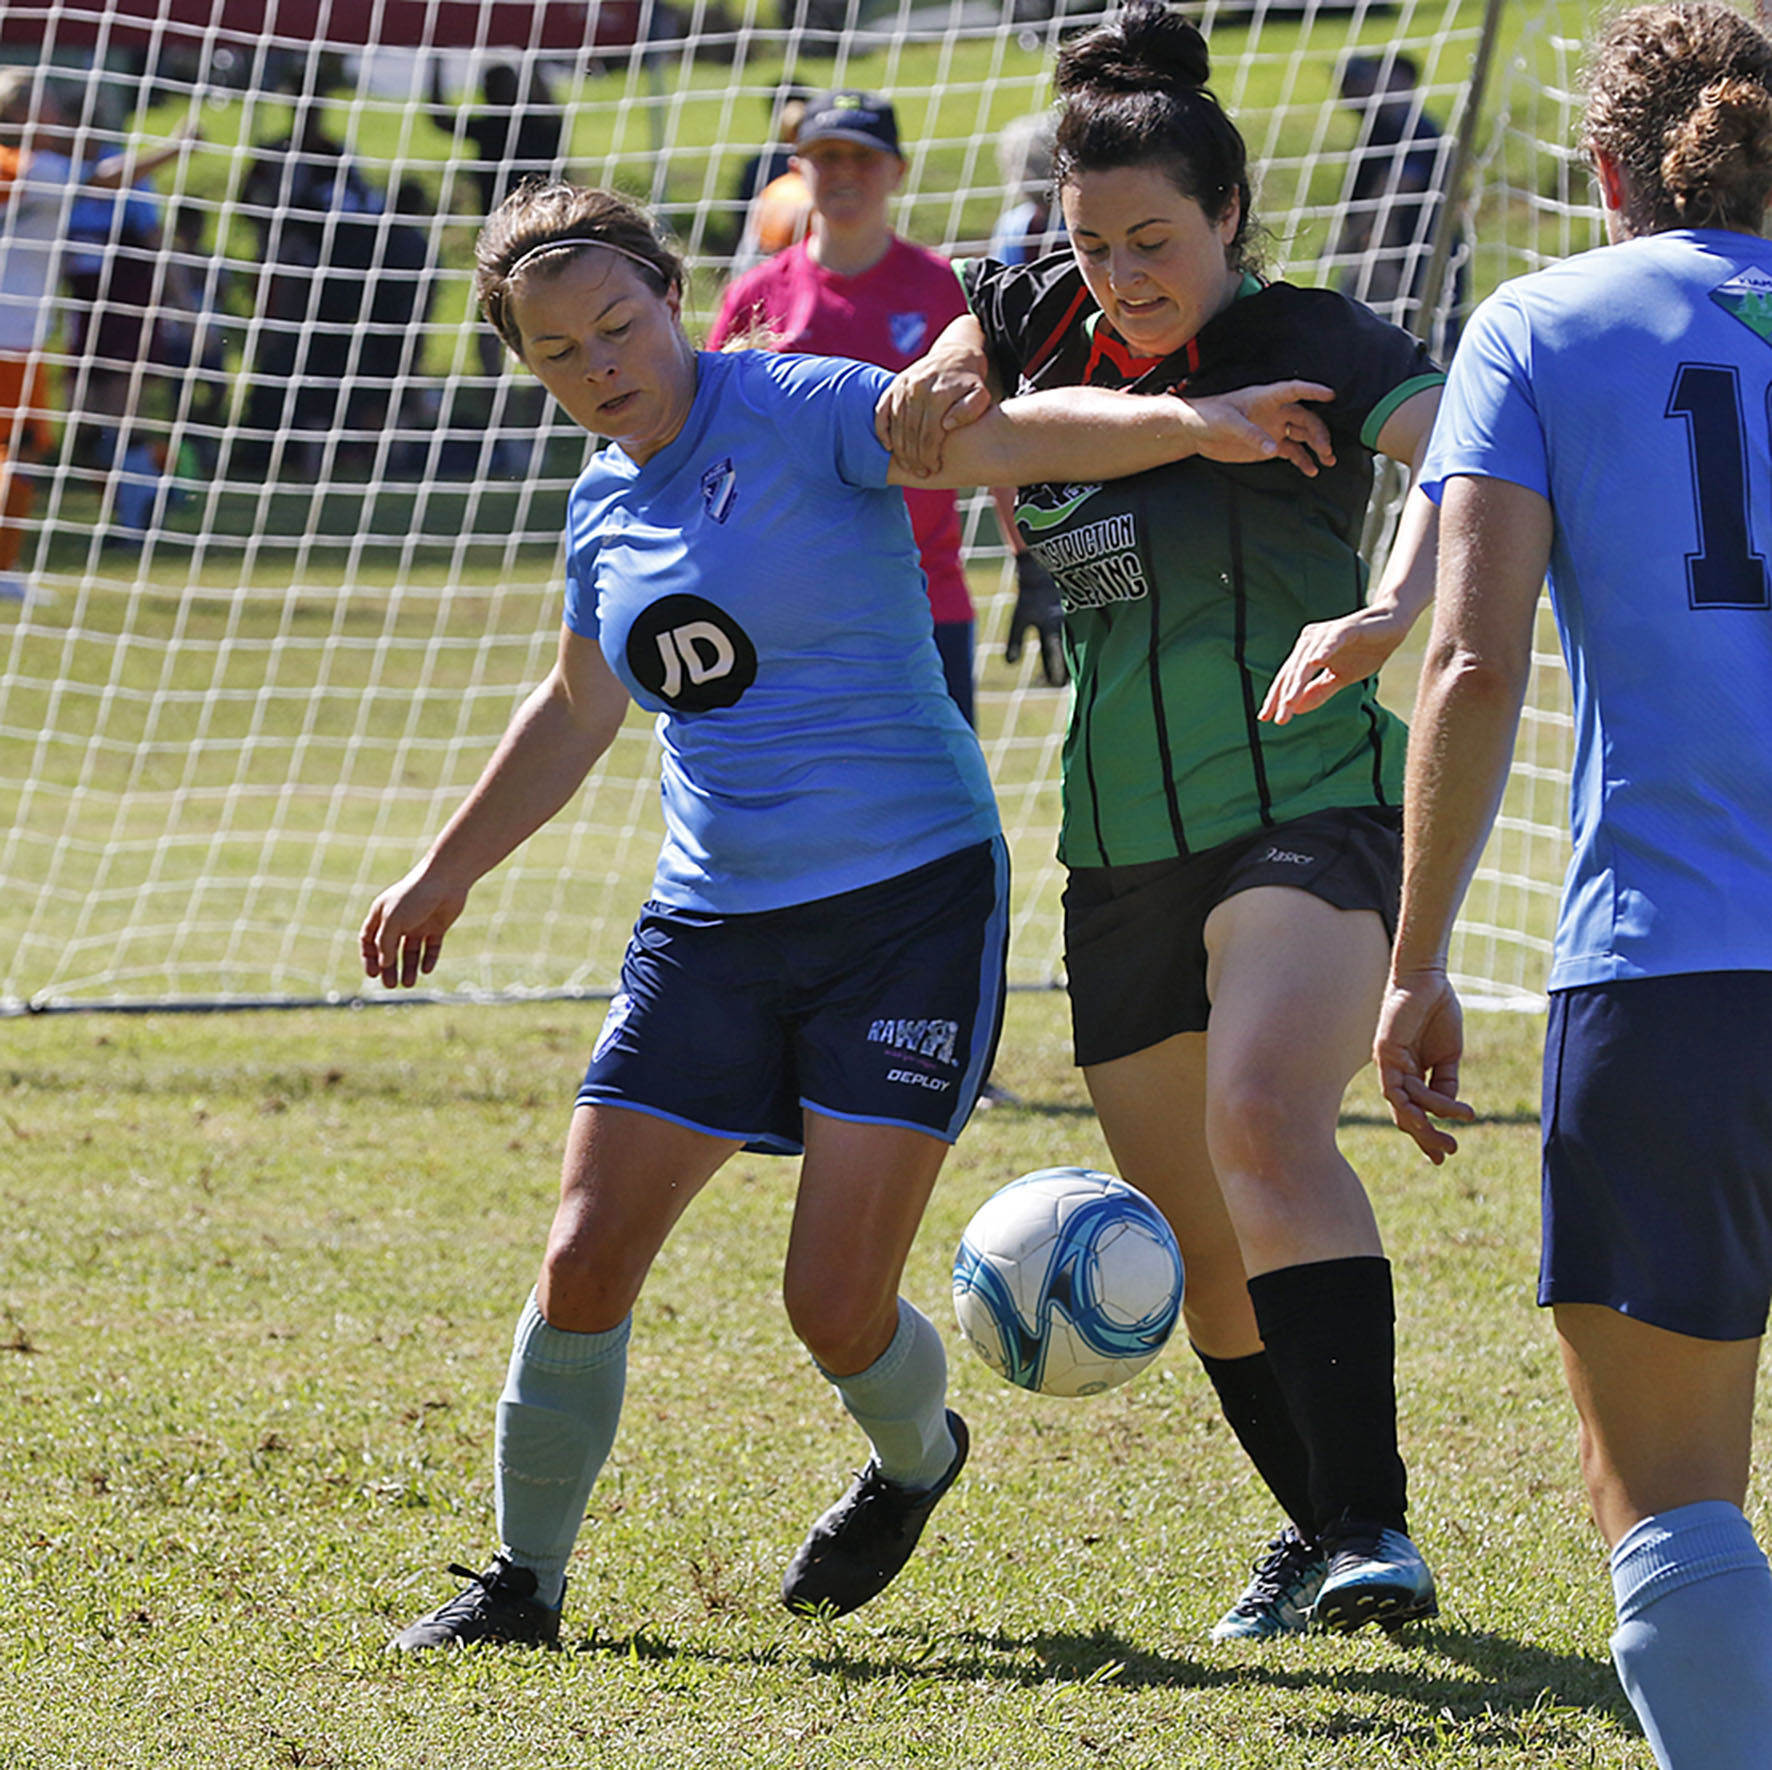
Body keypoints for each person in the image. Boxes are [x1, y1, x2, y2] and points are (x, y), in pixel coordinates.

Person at [360, 178, 1336, 1650]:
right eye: (557, 352)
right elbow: (574, 707)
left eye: (617, 324)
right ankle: (521, 1584)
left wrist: (1194, 424)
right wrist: (446, 870)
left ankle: (915, 1457)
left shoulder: (803, 405)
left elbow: (1007, 439)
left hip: (906, 908)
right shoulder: (598, 508)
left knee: (830, 1303)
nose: (599, 365)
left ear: (672, 297)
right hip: (710, 923)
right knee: (582, 1257)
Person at [881, 2, 1445, 1639]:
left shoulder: (1316, 336)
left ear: (1228, 217)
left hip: (1308, 798)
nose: (1124, 277)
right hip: (1114, 847)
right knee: (1203, 1241)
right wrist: (961, 360)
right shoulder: (1033, 323)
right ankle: (1318, 1529)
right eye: (1093, 245)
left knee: (1262, 1121)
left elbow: (1466, 459)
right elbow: (943, 437)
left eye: (1156, 243)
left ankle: (1378, 1532)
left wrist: (1389, 612)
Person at [1375, 6, 1772, 1762]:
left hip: (1674, 974)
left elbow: (1473, 662)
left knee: (1667, 1507)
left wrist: (1415, 959)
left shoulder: (1540, 322)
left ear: (1606, 171)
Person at [709, 89, 980, 720]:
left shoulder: (944, 288)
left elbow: (996, 422)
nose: (846, 173)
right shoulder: (756, 296)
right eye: (828, 157)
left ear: (898, 170)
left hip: (925, 596)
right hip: (787, 605)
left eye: (864, 157)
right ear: (797, 169)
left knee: (939, 780)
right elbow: (712, 441)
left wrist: (1032, 565)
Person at [0, 69, 194, 595]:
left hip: (40, 329)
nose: (59, 116)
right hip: (12, 335)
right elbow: (103, 180)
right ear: (21, 116)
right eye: (48, 106)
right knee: (26, 445)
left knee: (42, 441)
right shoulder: (32, 167)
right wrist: (174, 148)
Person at [1330, 50, 1466, 348]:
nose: (1348, 91)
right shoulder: (1380, 130)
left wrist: (1368, 246)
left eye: (1358, 80)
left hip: (1409, 256)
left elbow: (1395, 194)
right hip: (1389, 252)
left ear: (1400, 80)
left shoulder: (1416, 130)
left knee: (1415, 342)